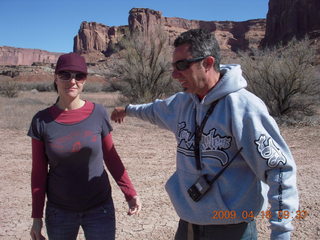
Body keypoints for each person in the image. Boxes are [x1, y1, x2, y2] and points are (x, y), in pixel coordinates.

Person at [111, 29, 299, 240]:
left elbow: (279, 171)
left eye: (182, 65)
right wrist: (126, 109)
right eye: (173, 67)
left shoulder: (244, 108)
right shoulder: (181, 103)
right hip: (188, 224)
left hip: (232, 229)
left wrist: (281, 233)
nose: (174, 74)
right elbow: (153, 110)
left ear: (208, 63)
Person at [28, 52, 141, 240]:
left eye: (79, 76)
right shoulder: (41, 120)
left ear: (85, 80)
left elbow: (111, 157)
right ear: (55, 78)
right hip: (60, 212)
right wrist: (36, 216)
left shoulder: (98, 113)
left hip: (99, 208)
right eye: (65, 75)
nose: (72, 81)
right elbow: (38, 172)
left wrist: (130, 193)